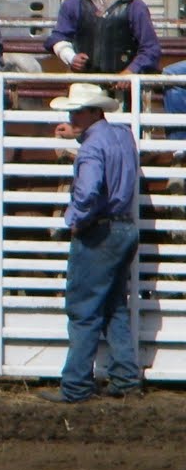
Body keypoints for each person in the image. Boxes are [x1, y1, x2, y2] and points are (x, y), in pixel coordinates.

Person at [36, 82, 142, 403]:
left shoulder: (92, 148)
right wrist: (78, 134)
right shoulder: (122, 135)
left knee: (83, 309)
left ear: (94, 112)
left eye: (78, 112)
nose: (73, 117)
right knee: (114, 306)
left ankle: (76, 385)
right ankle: (125, 378)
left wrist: (74, 220)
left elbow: (88, 191)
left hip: (99, 232)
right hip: (124, 228)